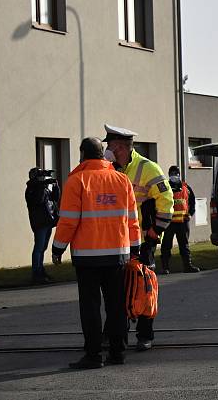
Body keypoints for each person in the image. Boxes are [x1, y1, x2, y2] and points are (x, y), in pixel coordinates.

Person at [51, 138, 140, 368]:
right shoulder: (122, 180)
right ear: (104, 154)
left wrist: (58, 248)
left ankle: (93, 355)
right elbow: (132, 219)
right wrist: (135, 247)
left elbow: (68, 221)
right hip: (118, 254)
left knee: (90, 307)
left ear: (82, 154)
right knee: (116, 306)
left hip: (87, 257)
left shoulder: (77, 180)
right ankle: (117, 353)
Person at [103, 124, 174, 350]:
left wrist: (157, 230)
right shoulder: (108, 169)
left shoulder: (147, 168)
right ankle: (115, 335)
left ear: (122, 148)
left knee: (143, 288)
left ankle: (145, 334)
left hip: (142, 241)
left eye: (111, 146)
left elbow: (166, 200)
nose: (108, 150)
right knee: (116, 290)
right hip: (116, 242)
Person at [160, 165, 200, 274]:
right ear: (169, 175)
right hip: (169, 223)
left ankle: (188, 266)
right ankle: (165, 267)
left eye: (176, 173)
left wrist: (190, 214)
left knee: (184, 245)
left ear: (179, 174)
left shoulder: (186, 187)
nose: (174, 176)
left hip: (183, 222)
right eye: (172, 173)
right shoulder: (165, 187)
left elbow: (192, 202)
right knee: (166, 246)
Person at [25, 167, 60, 284]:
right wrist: (42, 184)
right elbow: (38, 200)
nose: (43, 178)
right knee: (39, 248)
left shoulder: (43, 188)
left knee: (42, 248)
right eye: (40, 176)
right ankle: (36, 273)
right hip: (39, 223)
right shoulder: (31, 189)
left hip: (47, 222)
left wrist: (55, 186)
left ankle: (41, 270)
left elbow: (55, 198)